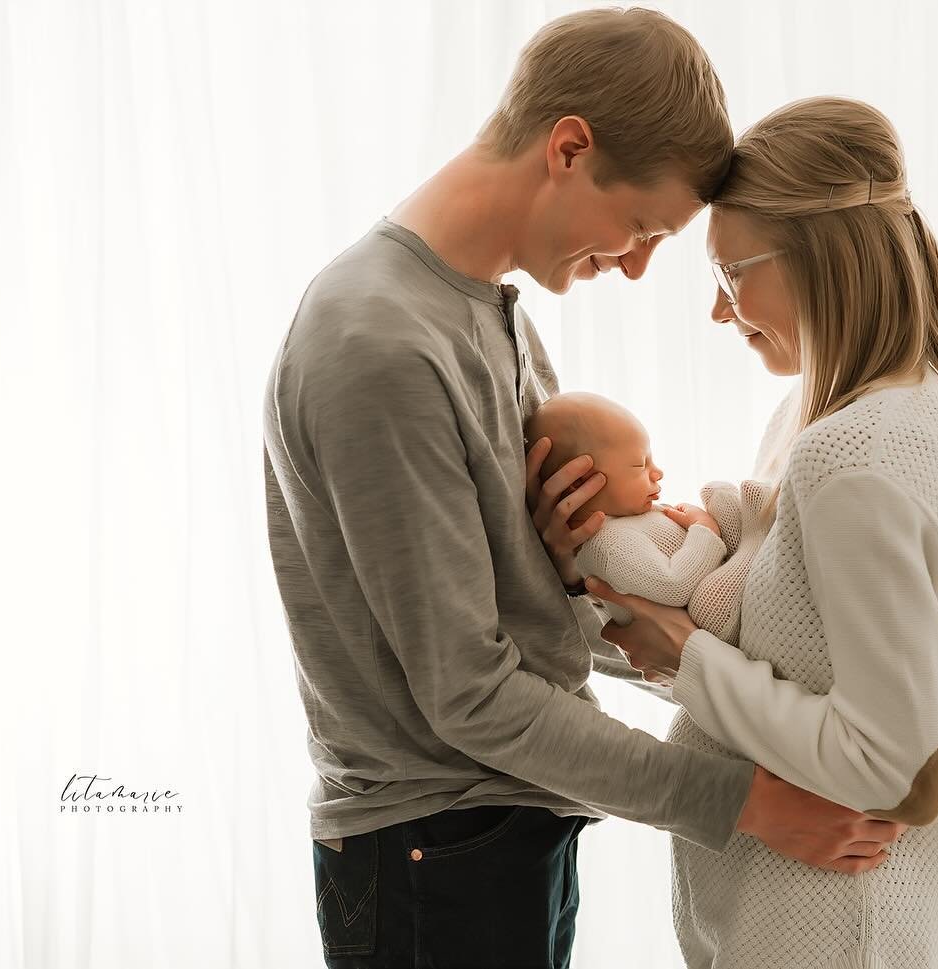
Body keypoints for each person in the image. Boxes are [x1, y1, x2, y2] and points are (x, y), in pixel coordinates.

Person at [260, 11, 903, 968]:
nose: (640, 266)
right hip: (430, 852)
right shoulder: (381, 345)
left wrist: (579, 583)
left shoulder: (490, 315)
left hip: (503, 824)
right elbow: (469, 694)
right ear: (568, 147)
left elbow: (509, 623)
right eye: (642, 229)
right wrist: (744, 803)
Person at [579, 97, 938, 968]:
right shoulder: (855, 419)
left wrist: (684, 655)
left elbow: (892, 768)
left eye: (732, 275)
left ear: (823, 259)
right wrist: (642, 623)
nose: (717, 311)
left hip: (828, 938)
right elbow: (787, 687)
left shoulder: (856, 454)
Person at [524, 390, 771, 644]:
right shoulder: (607, 546)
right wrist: (704, 529)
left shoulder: (631, 515)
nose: (658, 472)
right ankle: (755, 542)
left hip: (719, 577)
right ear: (580, 483)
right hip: (713, 623)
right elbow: (675, 585)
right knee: (708, 603)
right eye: (641, 465)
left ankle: (754, 543)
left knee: (718, 496)